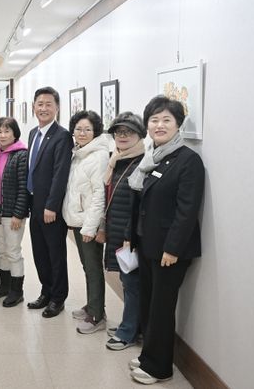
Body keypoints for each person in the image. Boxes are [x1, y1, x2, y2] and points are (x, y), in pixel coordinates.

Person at [127, 96, 205, 385]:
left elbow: (187, 211)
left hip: (169, 251)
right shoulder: (152, 156)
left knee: (161, 307)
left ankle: (159, 367)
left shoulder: (188, 161)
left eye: (166, 120)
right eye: (154, 120)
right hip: (148, 244)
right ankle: (149, 354)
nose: (159, 125)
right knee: (148, 302)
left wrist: (172, 248)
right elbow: (142, 202)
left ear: (178, 124)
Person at [97, 112, 146, 350]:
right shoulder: (117, 160)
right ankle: (132, 325)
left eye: (129, 132)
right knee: (128, 282)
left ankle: (128, 332)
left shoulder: (143, 163)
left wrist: (129, 236)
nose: (122, 136)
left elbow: (139, 206)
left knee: (132, 284)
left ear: (140, 135)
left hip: (130, 236)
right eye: (118, 132)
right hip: (117, 230)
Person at [26, 87, 73, 318]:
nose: (43, 108)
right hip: (34, 204)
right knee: (40, 253)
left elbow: (60, 173)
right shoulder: (33, 133)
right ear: (33, 106)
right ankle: (46, 291)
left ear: (57, 108)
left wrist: (51, 206)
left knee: (55, 254)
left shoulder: (62, 136)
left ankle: (58, 297)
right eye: (40, 104)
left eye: (48, 104)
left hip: (49, 208)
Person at [62, 110, 110, 333]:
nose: (82, 133)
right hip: (79, 219)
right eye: (78, 129)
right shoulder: (80, 153)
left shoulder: (98, 156)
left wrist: (91, 228)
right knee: (87, 266)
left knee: (93, 268)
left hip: (88, 223)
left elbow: (100, 195)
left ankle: (97, 316)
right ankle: (93, 305)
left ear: (95, 132)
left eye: (87, 129)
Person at [0, 117, 29, 307]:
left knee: (13, 251)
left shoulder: (21, 155)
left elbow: (23, 187)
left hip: (13, 213)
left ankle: (17, 291)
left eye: (7, 131)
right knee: (2, 250)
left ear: (14, 134)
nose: (2, 135)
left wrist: (18, 214)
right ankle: (4, 286)